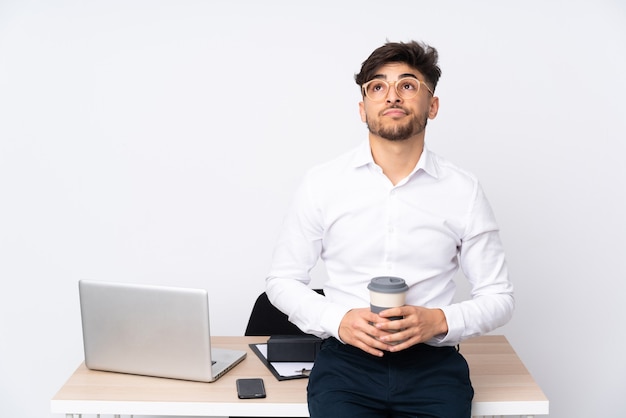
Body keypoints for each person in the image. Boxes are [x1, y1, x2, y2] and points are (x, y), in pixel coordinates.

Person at [266, 40, 514, 418]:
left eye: (408, 85)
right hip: (345, 365)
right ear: (362, 108)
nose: (392, 96)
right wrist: (339, 320)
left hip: (433, 367)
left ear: (432, 105)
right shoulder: (322, 184)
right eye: (378, 87)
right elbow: (282, 280)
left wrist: (440, 320)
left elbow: (499, 296)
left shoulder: (463, 190)